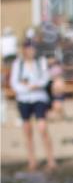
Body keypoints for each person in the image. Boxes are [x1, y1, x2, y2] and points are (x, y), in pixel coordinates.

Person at [9, 40, 55, 171]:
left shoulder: (41, 62)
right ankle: (32, 160)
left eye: (33, 49)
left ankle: (50, 159)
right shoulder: (18, 64)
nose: (32, 51)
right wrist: (27, 88)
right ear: (24, 50)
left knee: (42, 128)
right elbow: (14, 83)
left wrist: (34, 85)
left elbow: (45, 79)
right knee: (27, 130)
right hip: (24, 99)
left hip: (39, 98)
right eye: (29, 49)